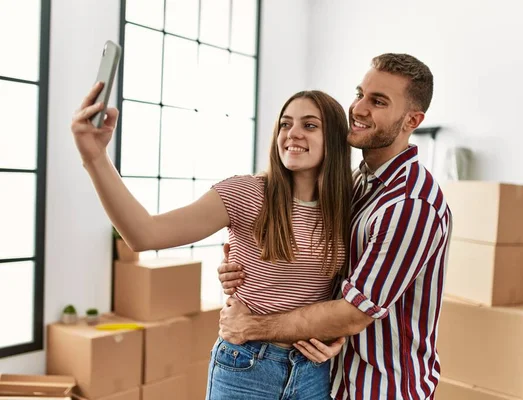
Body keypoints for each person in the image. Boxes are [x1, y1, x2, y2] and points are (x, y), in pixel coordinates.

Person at [70, 87, 353, 399]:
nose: (292, 134)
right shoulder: (245, 193)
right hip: (246, 366)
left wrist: (336, 332)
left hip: (314, 372)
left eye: (309, 125)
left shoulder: (349, 206)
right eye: (285, 124)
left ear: (336, 139)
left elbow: (357, 291)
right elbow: (144, 234)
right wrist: (94, 157)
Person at [218, 53, 453, 399]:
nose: (358, 108)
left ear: (411, 120)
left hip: (385, 390)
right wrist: (245, 268)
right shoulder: (357, 184)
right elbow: (329, 278)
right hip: (331, 378)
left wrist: (253, 326)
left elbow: (353, 313)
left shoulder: (410, 204)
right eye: (360, 93)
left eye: (378, 101)